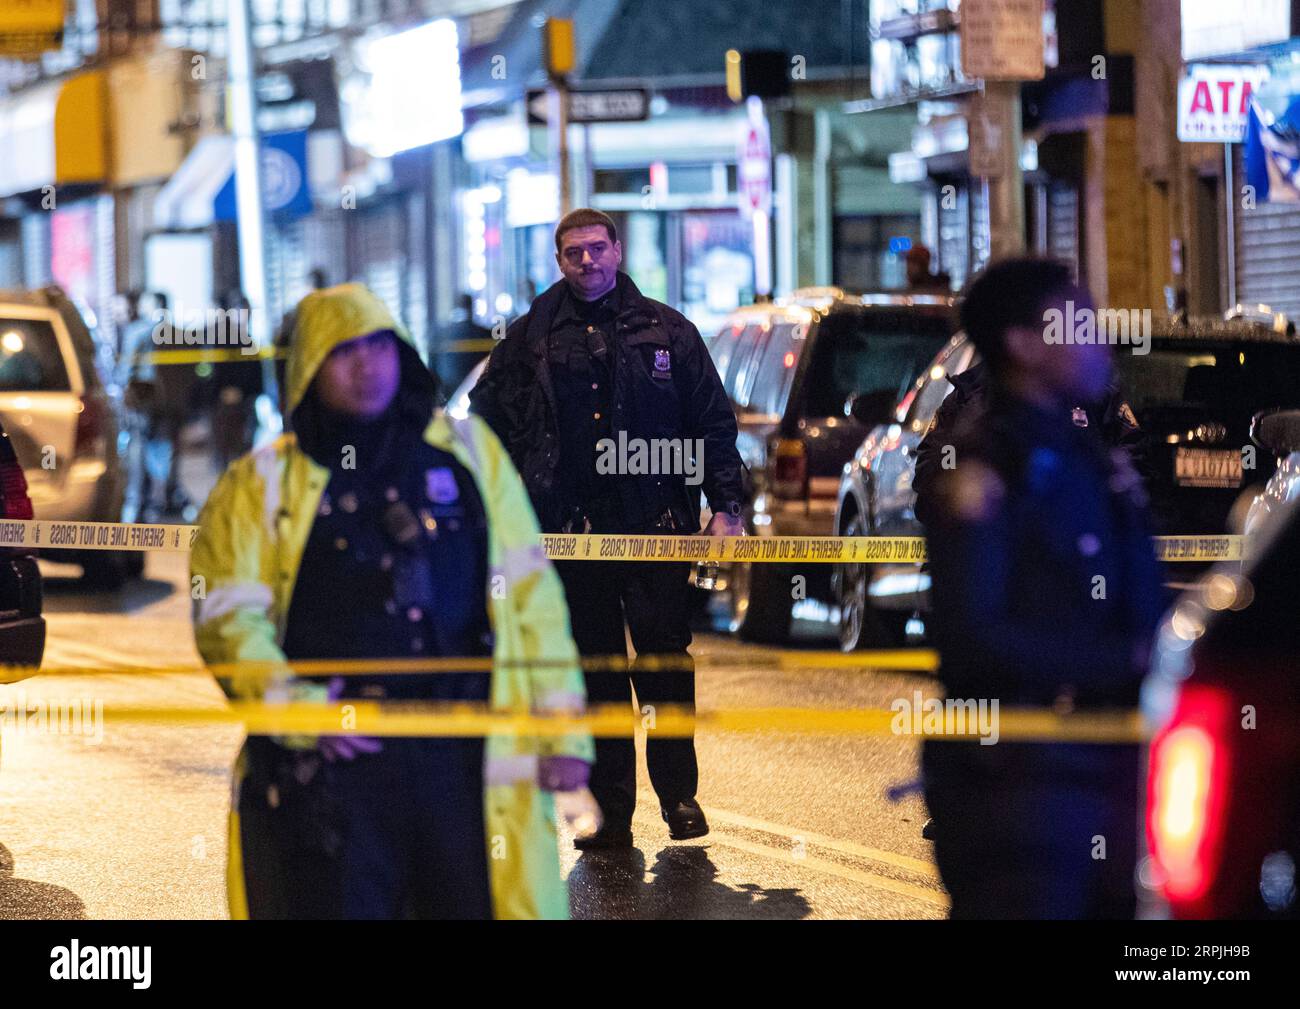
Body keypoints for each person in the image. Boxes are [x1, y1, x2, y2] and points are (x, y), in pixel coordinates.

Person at [192, 283, 593, 919]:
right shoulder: (260, 485)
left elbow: (532, 600)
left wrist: (565, 731)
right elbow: (228, 623)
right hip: (335, 775)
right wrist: (299, 713)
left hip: (462, 764)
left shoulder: (470, 455)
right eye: (343, 351)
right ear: (308, 369)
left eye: (380, 344)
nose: (367, 364)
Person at [470, 208, 745, 849]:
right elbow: (486, 421)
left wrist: (725, 507)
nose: (588, 262)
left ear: (617, 251)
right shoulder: (530, 337)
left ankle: (679, 798)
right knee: (593, 672)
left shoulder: (667, 331)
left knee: (664, 666)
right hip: (570, 532)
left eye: (597, 249)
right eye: (574, 253)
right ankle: (610, 812)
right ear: (559, 261)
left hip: (655, 525)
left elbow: (712, 422)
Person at [920, 258, 1167, 918]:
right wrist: (1128, 661)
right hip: (1022, 780)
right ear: (1024, 345)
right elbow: (975, 634)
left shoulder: (1095, 449)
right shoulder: (989, 464)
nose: (1096, 338)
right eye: (1076, 323)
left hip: (1106, 766)